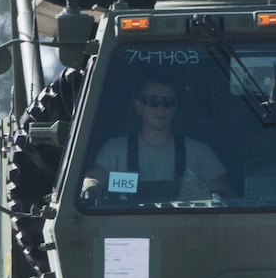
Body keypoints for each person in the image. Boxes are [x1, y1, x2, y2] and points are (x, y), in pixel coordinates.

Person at [82, 77, 230, 203]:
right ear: (138, 106)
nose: (160, 108)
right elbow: (93, 178)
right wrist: (91, 187)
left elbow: (224, 196)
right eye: (152, 101)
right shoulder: (115, 149)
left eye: (168, 102)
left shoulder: (199, 152)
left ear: (175, 107)